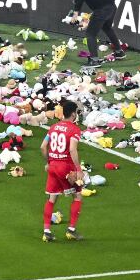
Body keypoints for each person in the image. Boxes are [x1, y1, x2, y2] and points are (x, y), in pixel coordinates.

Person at [41, 99, 84, 243]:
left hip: (53, 166)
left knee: (52, 198)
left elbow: (43, 146)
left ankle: (46, 231)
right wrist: (78, 169)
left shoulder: (53, 127)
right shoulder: (74, 129)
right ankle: (71, 230)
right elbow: (72, 149)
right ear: (73, 114)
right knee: (77, 196)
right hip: (66, 167)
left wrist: (49, 162)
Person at [69, 0, 126, 65]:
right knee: (107, 28)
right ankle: (119, 52)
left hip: (101, 10)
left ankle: (94, 60)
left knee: (90, 34)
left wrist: (75, 14)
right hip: (112, 6)